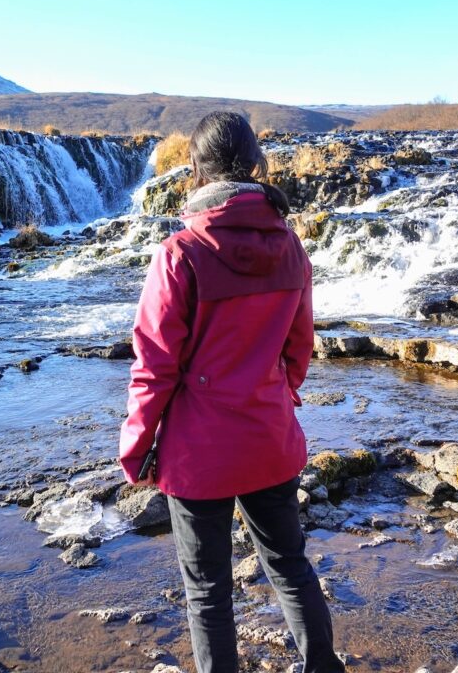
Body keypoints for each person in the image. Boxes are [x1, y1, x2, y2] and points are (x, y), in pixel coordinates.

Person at [119, 111, 345, 673]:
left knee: (208, 592)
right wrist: (271, 395)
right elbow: (299, 349)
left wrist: (137, 447)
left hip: (199, 455)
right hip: (269, 437)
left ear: (195, 169)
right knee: (290, 566)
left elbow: (154, 367)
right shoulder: (290, 247)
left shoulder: (180, 253)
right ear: (254, 164)